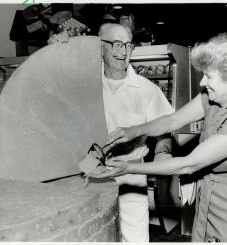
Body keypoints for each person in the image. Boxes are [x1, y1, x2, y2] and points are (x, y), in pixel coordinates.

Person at [92, 32, 227, 242]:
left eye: (209, 76)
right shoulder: (210, 98)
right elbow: (171, 121)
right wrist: (133, 130)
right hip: (210, 193)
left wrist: (128, 167)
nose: (202, 82)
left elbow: (188, 165)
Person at [48, 23, 173, 242]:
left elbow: (164, 131)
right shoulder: (84, 86)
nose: (123, 51)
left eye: (127, 45)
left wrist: (163, 152)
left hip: (131, 175)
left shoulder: (146, 90)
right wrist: (55, 51)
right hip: (91, 175)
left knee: (134, 238)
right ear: (100, 47)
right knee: (92, 234)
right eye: (115, 44)